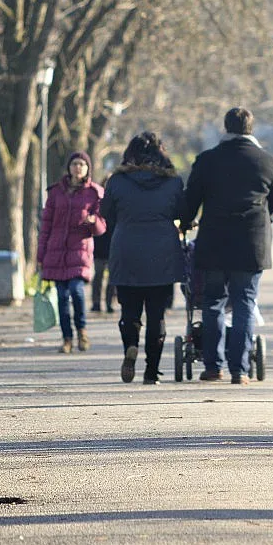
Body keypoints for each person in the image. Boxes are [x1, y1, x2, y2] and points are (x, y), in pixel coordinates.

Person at [182, 107, 273, 385]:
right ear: (251, 128)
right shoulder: (266, 161)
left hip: (214, 241)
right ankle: (240, 370)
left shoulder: (207, 160)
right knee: (244, 303)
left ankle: (213, 366)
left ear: (225, 128)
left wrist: (186, 222)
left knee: (213, 302)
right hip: (252, 242)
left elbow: (191, 200)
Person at [101, 132, 184, 385]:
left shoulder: (117, 181)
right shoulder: (172, 182)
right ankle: (152, 372)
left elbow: (106, 213)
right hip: (162, 252)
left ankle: (130, 345)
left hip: (126, 249)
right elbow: (183, 212)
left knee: (129, 310)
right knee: (157, 315)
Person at [38, 151, 106, 354]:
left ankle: (82, 331)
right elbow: (46, 226)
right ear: (69, 167)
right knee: (61, 296)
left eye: (82, 164)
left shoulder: (94, 193)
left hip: (79, 251)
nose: (78, 168)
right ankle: (66, 338)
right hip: (56, 252)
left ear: (87, 168)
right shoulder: (56, 192)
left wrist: (93, 222)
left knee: (76, 291)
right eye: (74, 164)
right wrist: (41, 255)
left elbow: (102, 227)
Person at [90, 208, 116, 314]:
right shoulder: (96, 207)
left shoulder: (114, 210)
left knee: (111, 278)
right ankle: (97, 303)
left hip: (112, 247)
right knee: (98, 276)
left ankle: (108, 303)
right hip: (99, 248)